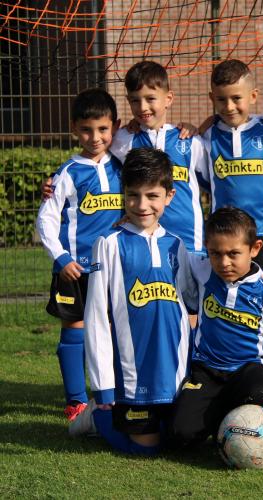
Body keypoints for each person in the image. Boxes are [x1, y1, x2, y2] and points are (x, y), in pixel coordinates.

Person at [68, 147, 198, 455]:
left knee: (182, 439)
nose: (142, 205)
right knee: (146, 450)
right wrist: (103, 384)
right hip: (132, 375)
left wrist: (259, 274)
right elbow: (96, 317)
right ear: (123, 194)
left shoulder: (177, 246)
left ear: (169, 196)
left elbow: (194, 299)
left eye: (152, 196)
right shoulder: (109, 244)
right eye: (133, 195)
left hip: (175, 371)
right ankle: (97, 416)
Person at [170, 206, 263, 444]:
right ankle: (223, 419)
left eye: (234, 254)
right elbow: (169, 246)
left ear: (255, 248)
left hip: (250, 372)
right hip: (207, 371)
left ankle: (254, 415)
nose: (224, 262)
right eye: (215, 253)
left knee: (262, 394)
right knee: (182, 433)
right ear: (207, 248)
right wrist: (132, 222)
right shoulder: (202, 269)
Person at [36, 88, 123, 421]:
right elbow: (46, 219)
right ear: (74, 128)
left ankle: (113, 394)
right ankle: (76, 400)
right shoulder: (68, 172)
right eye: (86, 130)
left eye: (102, 129)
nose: (95, 137)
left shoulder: (123, 166)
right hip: (74, 268)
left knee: (113, 330)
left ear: (115, 126)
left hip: (113, 269)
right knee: (75, 329)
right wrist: (61, 259)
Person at [199, 59, 263, 284]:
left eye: (236, 98)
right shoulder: (206, 137)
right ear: (212, 98)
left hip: (262, 230)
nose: (229, 107)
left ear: (253, 96)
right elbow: (203, 179)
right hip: (222, 232)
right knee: (223, 292)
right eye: (221, 99)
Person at [109, 60, 207, 256]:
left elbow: (215, 181)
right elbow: (95, 163)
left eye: (150, 98)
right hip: (142, 240)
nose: (143, 107)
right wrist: (54, 178)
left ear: (168, 98)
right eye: (135, 100)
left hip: (189, 241)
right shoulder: (122, 139)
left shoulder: (190, 140)